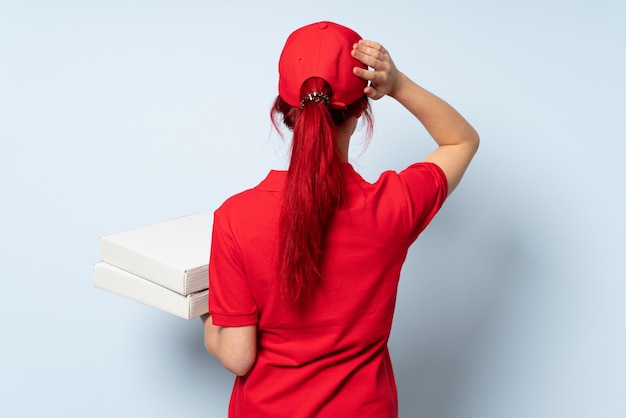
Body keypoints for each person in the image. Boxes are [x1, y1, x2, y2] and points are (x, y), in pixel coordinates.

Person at [201, 21, 479, 417]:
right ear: (361, 112)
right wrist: (397, 84)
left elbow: (237, 356)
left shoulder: (235, 218)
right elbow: (461, 140)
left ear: (282, 111)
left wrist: (211, 319)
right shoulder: (393, 206)